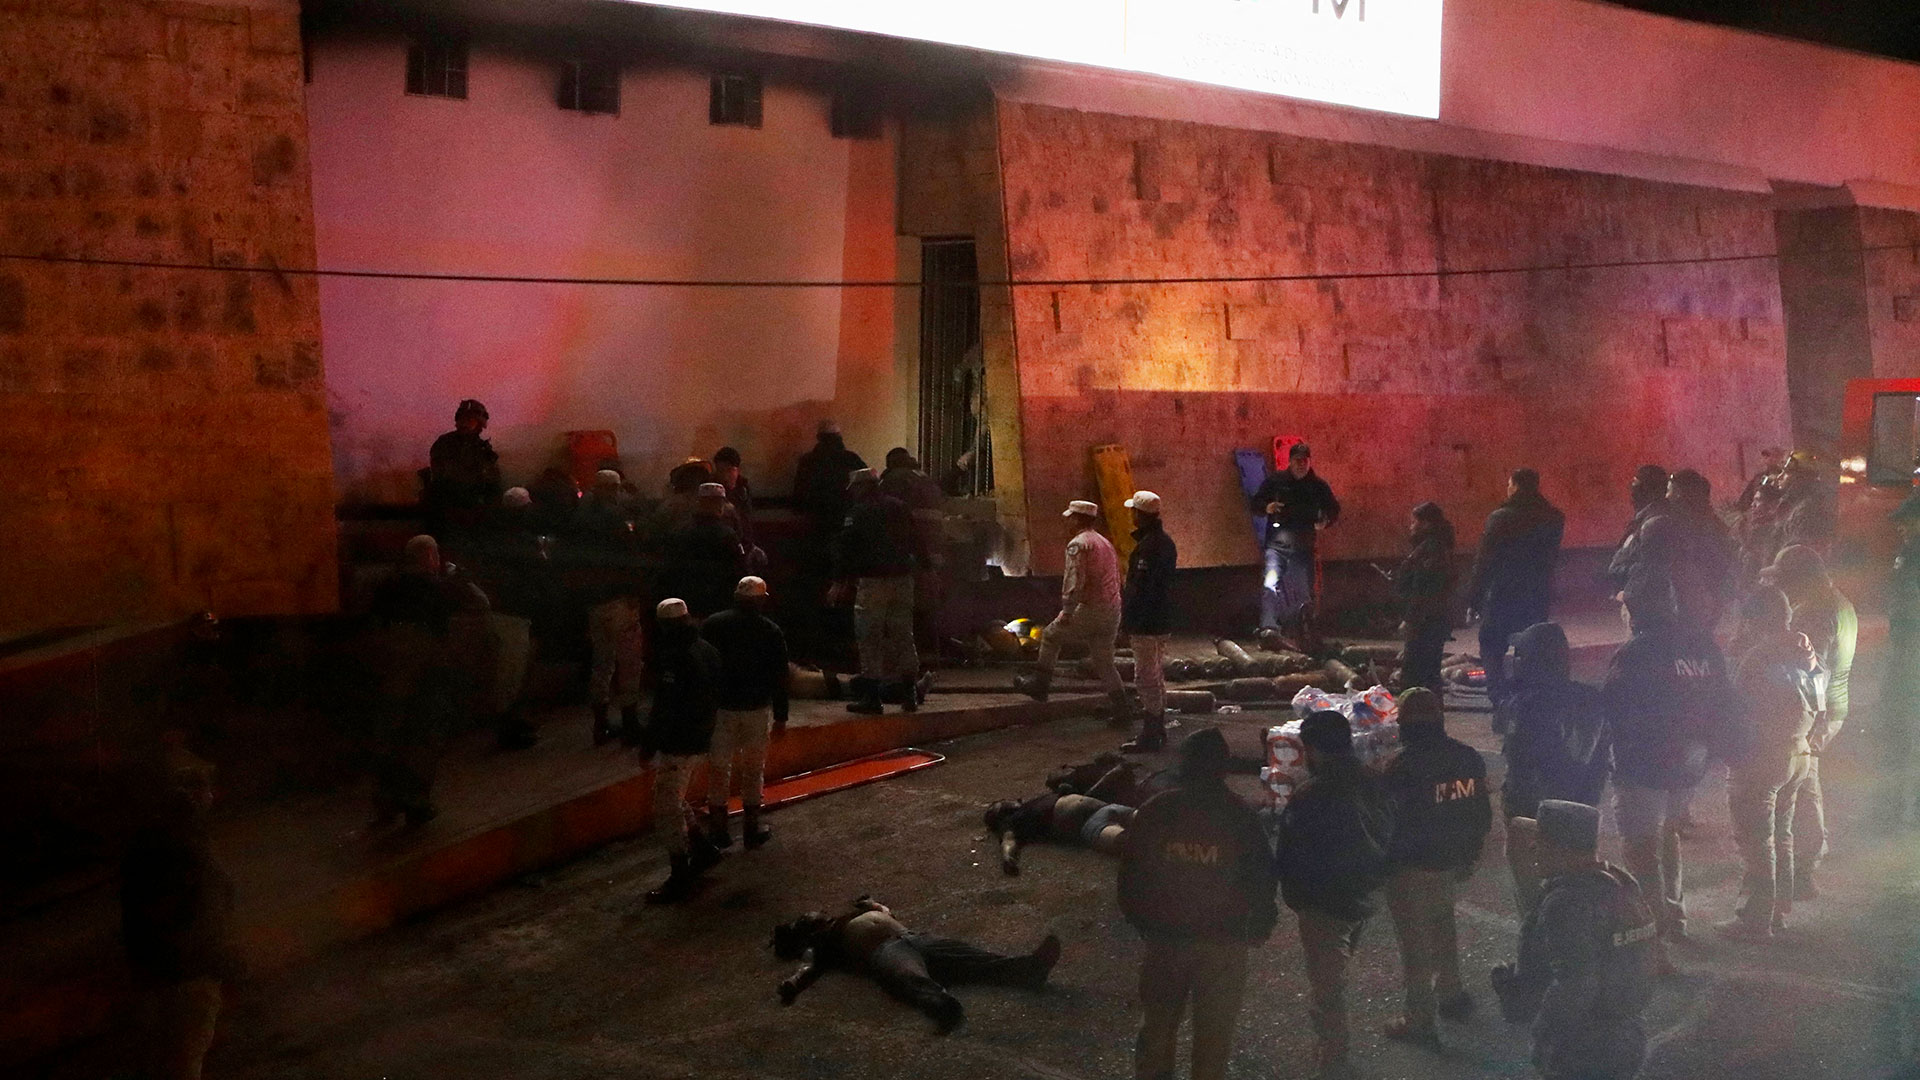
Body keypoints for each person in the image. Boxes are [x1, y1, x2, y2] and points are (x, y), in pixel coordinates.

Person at [1118, 728, 1278, 1080]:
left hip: (1165, 941)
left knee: (1157, 1031)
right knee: (1214, 1039)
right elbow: (1262, 878)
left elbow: (1131, 874)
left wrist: (1142, 922)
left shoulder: (1156, 811)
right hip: (1223, 944)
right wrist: (1261, 925)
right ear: (1223, 768)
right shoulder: (1241, 816)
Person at [1601, 595, 1731, 963]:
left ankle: (1651, 936)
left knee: (1640, 849)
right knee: (1669, 831)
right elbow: (1722, 698)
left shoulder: (1637, 652)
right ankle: (1674, 914)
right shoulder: (1701, 645)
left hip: (1643, 767)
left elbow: (1614, 704)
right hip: (1689, 765)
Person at [1490, 800, 1657, 1080]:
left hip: (1583, 1047)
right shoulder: (1618, 882)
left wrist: (1544, 1037)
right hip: (1626, 1032)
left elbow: (1575, 984)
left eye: (1541, 841)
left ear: (1562, 849)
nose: (1533, 849)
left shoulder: (1567, 902)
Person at [1275, 711, 1393, 1079]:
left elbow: (1290, 852)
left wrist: (1293, 896)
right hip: (1364, 892)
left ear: (1312, 749)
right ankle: (1330, 1042)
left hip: (1323, 900)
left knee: (1327, 980)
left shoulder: (1311, 793)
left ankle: (1333, 1051)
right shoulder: (1373, 781)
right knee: (1336, 966)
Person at [1377, 688, 1490, 1049]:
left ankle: (1419, 1018)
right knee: (1444, 927)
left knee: (1414, 945)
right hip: (1448, 861)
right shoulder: (1467, 758)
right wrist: (1469, 855)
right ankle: (1451, 993)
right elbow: (1479, 815)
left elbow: (1386, 823)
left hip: (1409, 867)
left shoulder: (1400, 765)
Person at [773, 896, 1060, 1033]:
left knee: (969, 956)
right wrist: (794, 983)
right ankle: (941, 1003)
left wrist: (873, 903)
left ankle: (1028, 969)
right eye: (810, 917)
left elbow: (884, 911)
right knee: (907, 976)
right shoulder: (826, 942)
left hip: (912, 937)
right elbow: (811, 968)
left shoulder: (847, 917)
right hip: (884, 950)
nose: (816, 913)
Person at [120, 749, 235, 1080]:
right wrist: (224, 963)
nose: (212, 796)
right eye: (206, 789)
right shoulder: (191, 850)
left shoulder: (145, 842)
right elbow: (204, 916)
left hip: (149, 976)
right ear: (196, 798)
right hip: (188, 979)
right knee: (183, 1064)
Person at [1718, 587, 1821, 940]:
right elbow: (1820, 701)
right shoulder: (1806, 650)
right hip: (1799, 752)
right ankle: (1778, 912)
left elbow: (1735, 708)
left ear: (1755, 619)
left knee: (1756, 841)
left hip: (1762, 756)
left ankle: (1755, 919)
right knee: (1782, 834)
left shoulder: (1758, 656)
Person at [365, 535, 488, 826]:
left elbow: (374, 623)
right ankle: (416, 799)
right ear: (431, 557)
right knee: (425, 732)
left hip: (392, 666)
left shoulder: (387, 586)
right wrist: (459, 578)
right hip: (428, 664)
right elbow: (479, 604)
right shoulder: (439, 587)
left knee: (392, 731)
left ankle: (386, 799)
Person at [1495, 622, 1610, 917]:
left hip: (1536, 817)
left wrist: (1518, 810)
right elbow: (1600, 761)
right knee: (1578, 891)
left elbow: (1522, 768)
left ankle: (1537, 946)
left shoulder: (1524, 705)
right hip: (1581, 811)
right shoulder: (1591, 699)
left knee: (1535, 898)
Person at [1760, 544, 1855, 897]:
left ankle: (1803, 871)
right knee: (1806, 785)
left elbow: (1806, 671)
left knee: (1803, 790)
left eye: (1786, 581)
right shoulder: (1840, 602)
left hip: (1816, 712)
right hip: (1834, 708)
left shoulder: (1813, 612)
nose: (1783, 590)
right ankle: (1804, 866)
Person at [640, 598, 726, 904]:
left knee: (665, 805)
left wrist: (649, 744)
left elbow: (665, 707)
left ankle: (680, 873)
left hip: (680, 741)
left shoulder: (674, 658)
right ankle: (702, 848)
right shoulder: (707, 650)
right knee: (674, 797)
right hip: (701, 735)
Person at [1015, 501, 1128, 721]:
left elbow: (1075, 580)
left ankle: (1040, 685)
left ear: (1077, 519)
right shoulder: (1104, 542)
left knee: (1050, 636)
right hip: (1112, 609)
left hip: (1090, 608)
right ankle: (1122, 708)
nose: (1067, 522)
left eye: (1070, 518)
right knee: (1104, 661)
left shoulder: (1078, 544)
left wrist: (1067, 610)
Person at [700, 576, 790, 851]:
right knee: (753, 769)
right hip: (755, 708)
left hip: (722, 709)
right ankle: (751, 829)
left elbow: (703, 669)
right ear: (761, 600)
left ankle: (718, 830)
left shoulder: (713, 625)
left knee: (719, 767)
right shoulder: (771, 631)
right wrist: (781, 716)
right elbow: (780, 676)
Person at [1466, 468, 1564, 703]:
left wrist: (1474, 599)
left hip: (1503, 594)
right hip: (1536, 595)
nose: (1507, 489)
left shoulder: (1500, 518)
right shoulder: (1554, 518)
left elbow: (1485, 562)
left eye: (1509, 485)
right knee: (1531, 646)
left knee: (1491, 645)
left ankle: (1500, 700)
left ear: (1516, 486)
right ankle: (1527, 700)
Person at [833, 468, 923, 714]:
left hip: (872, 581)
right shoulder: (900, 507)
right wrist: (926, 570)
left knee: (869, 637)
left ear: (861, 487)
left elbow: (846, 548)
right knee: (903, 634)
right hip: (903, 579)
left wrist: (839, 581)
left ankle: (872, 698)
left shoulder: (858, 512)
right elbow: (917, 541)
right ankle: (910, 694)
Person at [1613, 469, 1733, 637]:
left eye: (1670, 491)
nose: (1666, 497)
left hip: (1678, 608)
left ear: (1679, 494)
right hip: (1698, 606)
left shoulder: (1664, 525)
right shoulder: (1712, 525)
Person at [792, 420, 869, 661]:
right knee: (846, 591)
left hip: (815, 537)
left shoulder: (807, 463)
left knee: (817, 591)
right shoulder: (852, 460)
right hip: (847, 536)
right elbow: (865, 493)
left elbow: (799, 500)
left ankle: (819, 647)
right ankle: (846, 645)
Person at [1251, 442, 1340, 647]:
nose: (1301, 464)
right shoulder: (1276, 482)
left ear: (1309, 462)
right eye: (1297, 461)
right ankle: (1269, 628)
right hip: (1277, 545)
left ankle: (1302, 631)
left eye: (1304, 461)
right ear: (1290, 462)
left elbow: (1333, 509)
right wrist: (1267, 507)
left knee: (1302, 591)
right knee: (1270, 585)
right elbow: (1255, 503)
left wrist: (1325, 521)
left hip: (1302, 547)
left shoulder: (1318, 486)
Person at [1875, 494, 1920, 832]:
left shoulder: (1911, 555)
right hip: (1906, 654)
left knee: (1898, 734)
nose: (1903, 528)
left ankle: (1891, 815)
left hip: (1909, 657)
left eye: (1909, 521)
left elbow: (1903, 610)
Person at [1121, 490, 1177, 752]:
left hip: (1147, 621)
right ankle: (1158, 728)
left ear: (1140, 515)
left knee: (1145, 676)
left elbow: (1141, 589)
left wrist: (1131, 620)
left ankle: (1151, 731)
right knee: (1156, 674)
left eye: (1133, 511)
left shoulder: (1149, 546)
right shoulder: (1165, 543)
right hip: (1162, 617)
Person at [881, 448, 947, 663]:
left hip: (910, 556)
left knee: (905, 607)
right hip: (933, 553)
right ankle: (931, 656)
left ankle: (909, 658)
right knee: (929, 606)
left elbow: (889, 518)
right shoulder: (926, 479)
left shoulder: (894, 480)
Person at [985, 789, 1135, 875]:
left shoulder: (1034, 801)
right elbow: (1008, 841)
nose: (1003, 802)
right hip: (1090, 823)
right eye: (997, 806)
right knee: (1128, 843)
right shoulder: (1013, 822)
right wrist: (1008, 858)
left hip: (1107, 808)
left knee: (1150, 816)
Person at [1392, 502, 1456, 695]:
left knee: (1413, 674)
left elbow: (1422, 589)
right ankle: (1432, 716)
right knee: (1430, 672)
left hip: (1425, 621)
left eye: (1414, 522)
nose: (1411, 527)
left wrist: (1409, 620)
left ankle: (1414, 715)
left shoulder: (1430, 550)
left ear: (1426, 524)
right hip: (1436, 619)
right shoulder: (1440, 548)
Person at [424, 398, 502, 543]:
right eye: (463, 419)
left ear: (479, 423)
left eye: (471, 420)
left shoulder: (483, 449)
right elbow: (444, 476)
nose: (466, 423)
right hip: (448, 506)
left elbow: (493, 482)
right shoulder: (445, 444)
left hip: (473, 509)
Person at [664, 482, 745, 619]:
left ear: (699, 503)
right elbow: (739, 567)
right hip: (720, 602)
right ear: (721, 505)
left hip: (689, 601)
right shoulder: (728, 535)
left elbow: (671, 568)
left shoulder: (681, 532)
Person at [1778, 451, 1836, 554]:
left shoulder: (1811, 507)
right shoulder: (1796, 499)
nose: (1779, 477)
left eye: (1786, 473)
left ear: (1800, 476)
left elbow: (1798, 551)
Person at [711, 446, 759, 552]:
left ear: (737, 470)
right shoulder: (713, 490)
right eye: (720, 471)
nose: (724, 476)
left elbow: (747, 520)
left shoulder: (743, 489)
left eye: (729, 470)